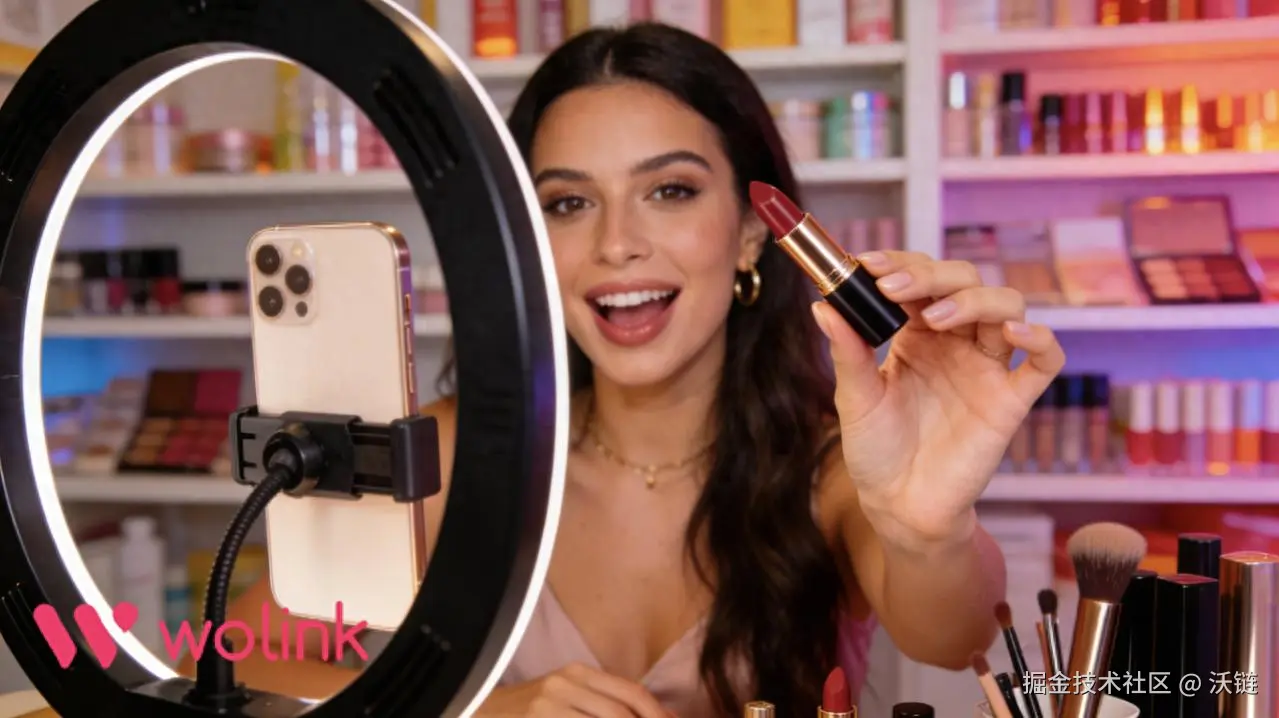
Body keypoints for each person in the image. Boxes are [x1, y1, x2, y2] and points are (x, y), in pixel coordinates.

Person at [207, 22, 1065, 717]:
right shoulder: (445, 457)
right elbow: (234, 664)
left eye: (670, 190)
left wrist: (928, 529)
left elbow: (954, 637)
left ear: (752, 232)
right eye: (568, 203)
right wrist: (479, 711)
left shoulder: (836, 472)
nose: (616, 244)